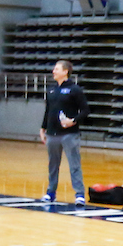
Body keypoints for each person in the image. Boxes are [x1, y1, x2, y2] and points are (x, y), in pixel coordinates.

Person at [39, 59, 89, 206]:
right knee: (53, 165)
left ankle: (79, 194)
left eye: (57, 69)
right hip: (52, 134)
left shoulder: (75, 89)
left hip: (69, 134)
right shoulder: (51, 90)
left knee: (74, 165)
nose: (54, 71)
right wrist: (43, 128)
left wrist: (73, 120)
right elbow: (48, 111)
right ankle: (51, 192)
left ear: (65, 71)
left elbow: (86, 110)